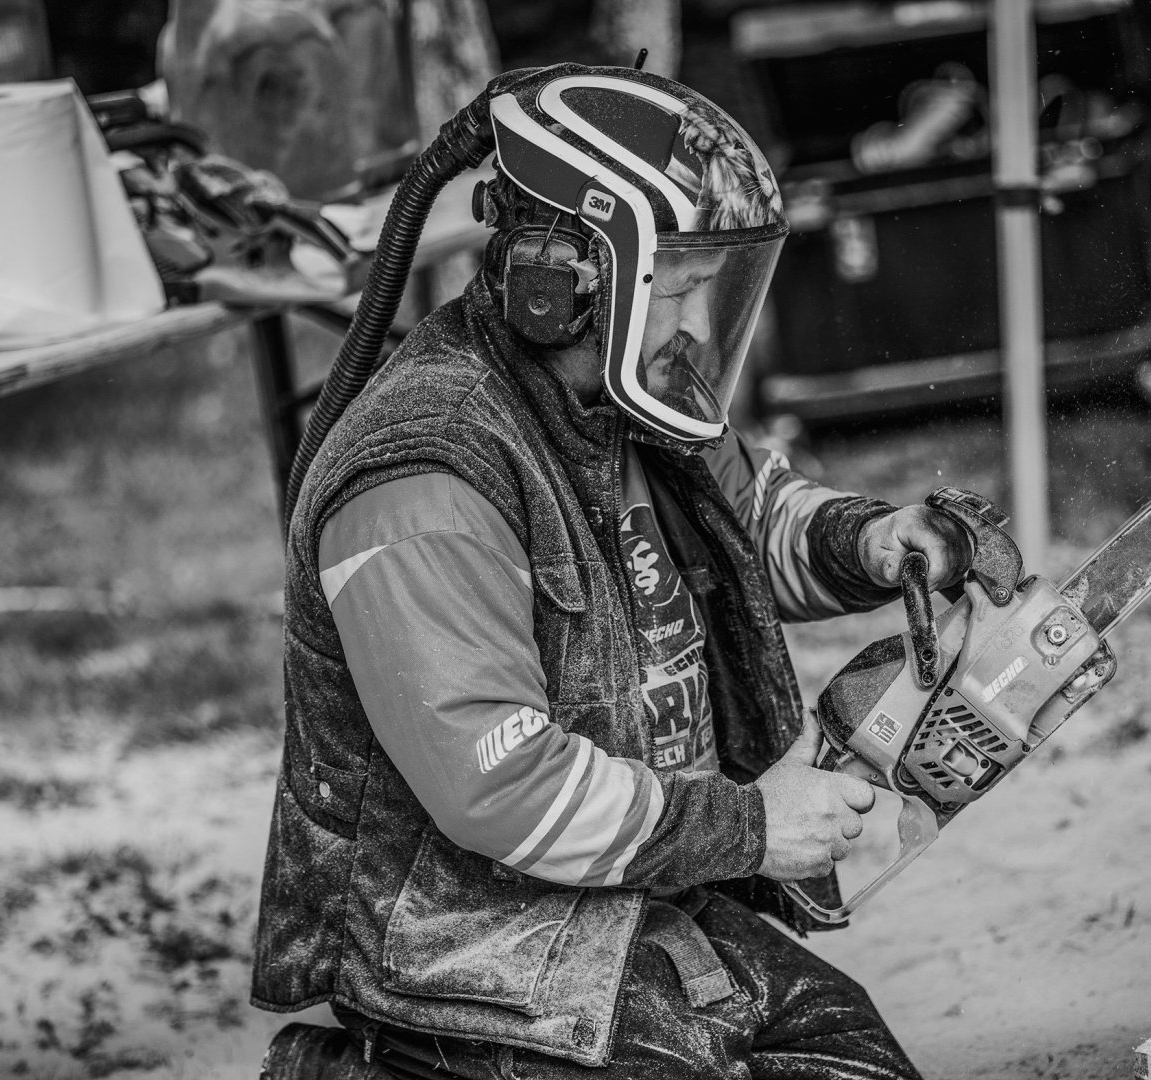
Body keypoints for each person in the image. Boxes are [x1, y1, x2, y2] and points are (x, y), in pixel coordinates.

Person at [252, 64, 972, 1079]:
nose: (698, 325)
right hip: (465, 943)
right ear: (558, 281)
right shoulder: (423, 477)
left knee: (849, 1056)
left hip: (636, 894)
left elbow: (746, 523)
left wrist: (874, 541)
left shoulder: (630, 390)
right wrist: (752, 826)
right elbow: (501, 785)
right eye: (677, 287)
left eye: (711, 287)